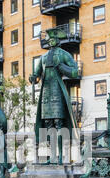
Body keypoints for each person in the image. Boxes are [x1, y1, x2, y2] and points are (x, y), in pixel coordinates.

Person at [29, 27, 79, 165]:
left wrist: (61, 67)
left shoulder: (64, 54)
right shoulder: (43, 57)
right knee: (48, 125)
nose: (51, 41)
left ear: (57, 40)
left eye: (53, 38)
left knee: (59, 124)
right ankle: (52, 156)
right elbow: (37, 74)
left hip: (57, 90)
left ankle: (62, 156)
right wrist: (33, 78)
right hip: (46, 92)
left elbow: (75, 72)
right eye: (49, 39)